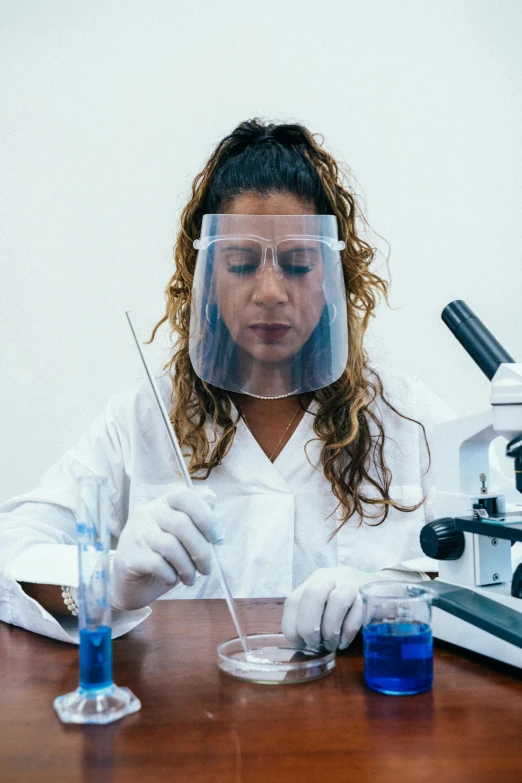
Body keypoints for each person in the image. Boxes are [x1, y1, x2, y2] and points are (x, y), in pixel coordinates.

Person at [0, 119, 454, 648]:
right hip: (195, 719)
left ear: (332, 276)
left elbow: (500, 563)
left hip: (366, 718)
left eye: (297, 264)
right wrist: (107, 580)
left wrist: (389, 593)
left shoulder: (405, 416)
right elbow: (13, 548)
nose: (269, 291)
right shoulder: (144, 419)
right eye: (240, 264)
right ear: (207, 278)